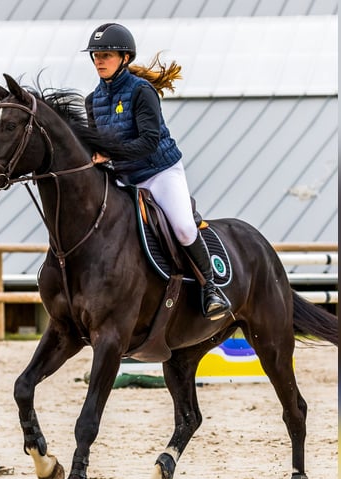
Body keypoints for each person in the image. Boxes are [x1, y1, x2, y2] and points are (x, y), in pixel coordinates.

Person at [82, 22, 230, 320]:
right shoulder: (92, 100)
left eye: (106, 55)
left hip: (158, 171)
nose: (99, 60)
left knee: (184, 228)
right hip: (123, 177)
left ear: (125, 58)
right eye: (96, 55)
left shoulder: (141, 92)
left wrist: (109, 154)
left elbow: (148, 143)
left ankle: (211, 289)